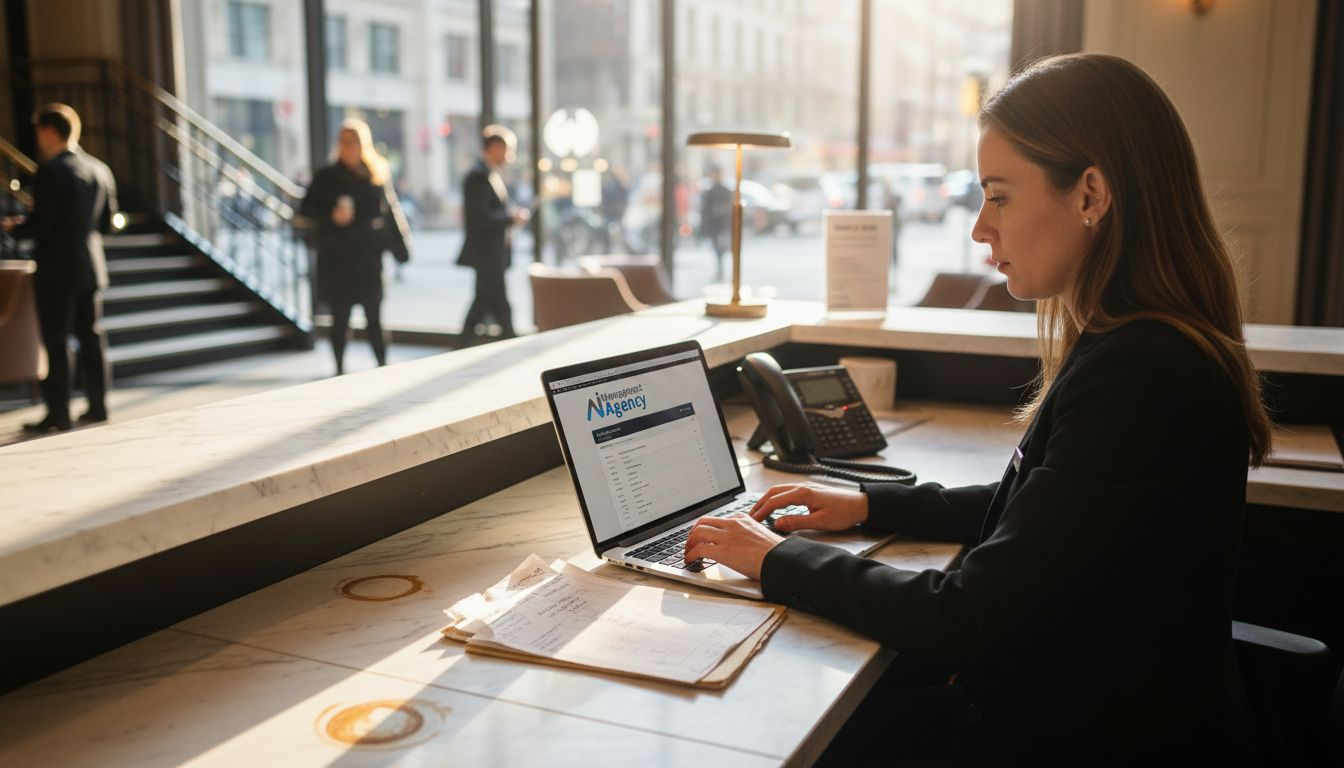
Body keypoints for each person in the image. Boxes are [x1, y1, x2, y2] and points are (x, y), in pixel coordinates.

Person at [687, 53, 1271, 765]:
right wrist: (870, 507)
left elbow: (967, 617)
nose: (979, 229)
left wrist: (781, 558)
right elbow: (1045, 513)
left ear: (1090, 194)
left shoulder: (1141, 374)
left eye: (999, 196)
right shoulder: (1141, 344)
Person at [3, 104, 118, 433]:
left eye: (39, 131)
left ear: (50, 132)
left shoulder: (51, 171)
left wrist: (16, 227)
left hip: (57, 267)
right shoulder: (100, 169)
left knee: (57, 340)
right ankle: (98, 406)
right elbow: (108, 225)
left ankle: (59, 413)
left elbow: (43, 224)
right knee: (92, 336)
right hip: (90, 264)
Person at [299, 119, 410, 376]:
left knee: (374, 317)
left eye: (354, 142)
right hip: (337, 259)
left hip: (369, 259)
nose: (349, 147)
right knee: (340, 318)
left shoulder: (375, 176)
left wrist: (401, 247)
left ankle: (383, 368)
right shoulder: (326, 176)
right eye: (344, 142)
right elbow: (305, 212)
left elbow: (391, 213)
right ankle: (339, 371)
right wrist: (331, 216)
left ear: (364, 144)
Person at [457, 125, 528, 346]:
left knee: (486, 302)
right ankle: (507, 341)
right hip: (486, 254)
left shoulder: (490, 175)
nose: (508, 156)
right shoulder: (478, 177)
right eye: (506, 150)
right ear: (494, 148)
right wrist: (510, 218)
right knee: (494, 303)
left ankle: (465, 344)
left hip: (491, 254)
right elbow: (480, 217)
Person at [698, 165, 731, 280]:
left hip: (723, 226)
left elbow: (729, 210)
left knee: (722, 249)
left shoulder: (726, 191)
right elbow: (704, 211)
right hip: (713, 226)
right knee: (716, 250)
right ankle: (719, 270)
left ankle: (721, 271)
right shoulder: (708, 192)